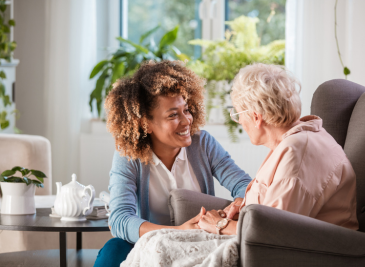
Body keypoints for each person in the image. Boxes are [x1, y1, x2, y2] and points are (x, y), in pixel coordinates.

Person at [93, 60, 252, 267]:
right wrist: (177, 231)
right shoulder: (128, 156)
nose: (187, 121)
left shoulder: (202, 143)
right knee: (114, 249)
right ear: (145, 123)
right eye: (173, 115)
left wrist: (239, 202)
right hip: (148, 244)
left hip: (198, 243)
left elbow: (243, 184)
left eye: (186, 110)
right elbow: (120, 219)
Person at [197, 63, 359, 236]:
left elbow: (273, 232)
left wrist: (221, 225)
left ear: (256, 116)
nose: (240, 122)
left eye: (237, 114)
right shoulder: (299, 139)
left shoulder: (296, 151)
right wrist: (244, 207)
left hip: (316, 253)